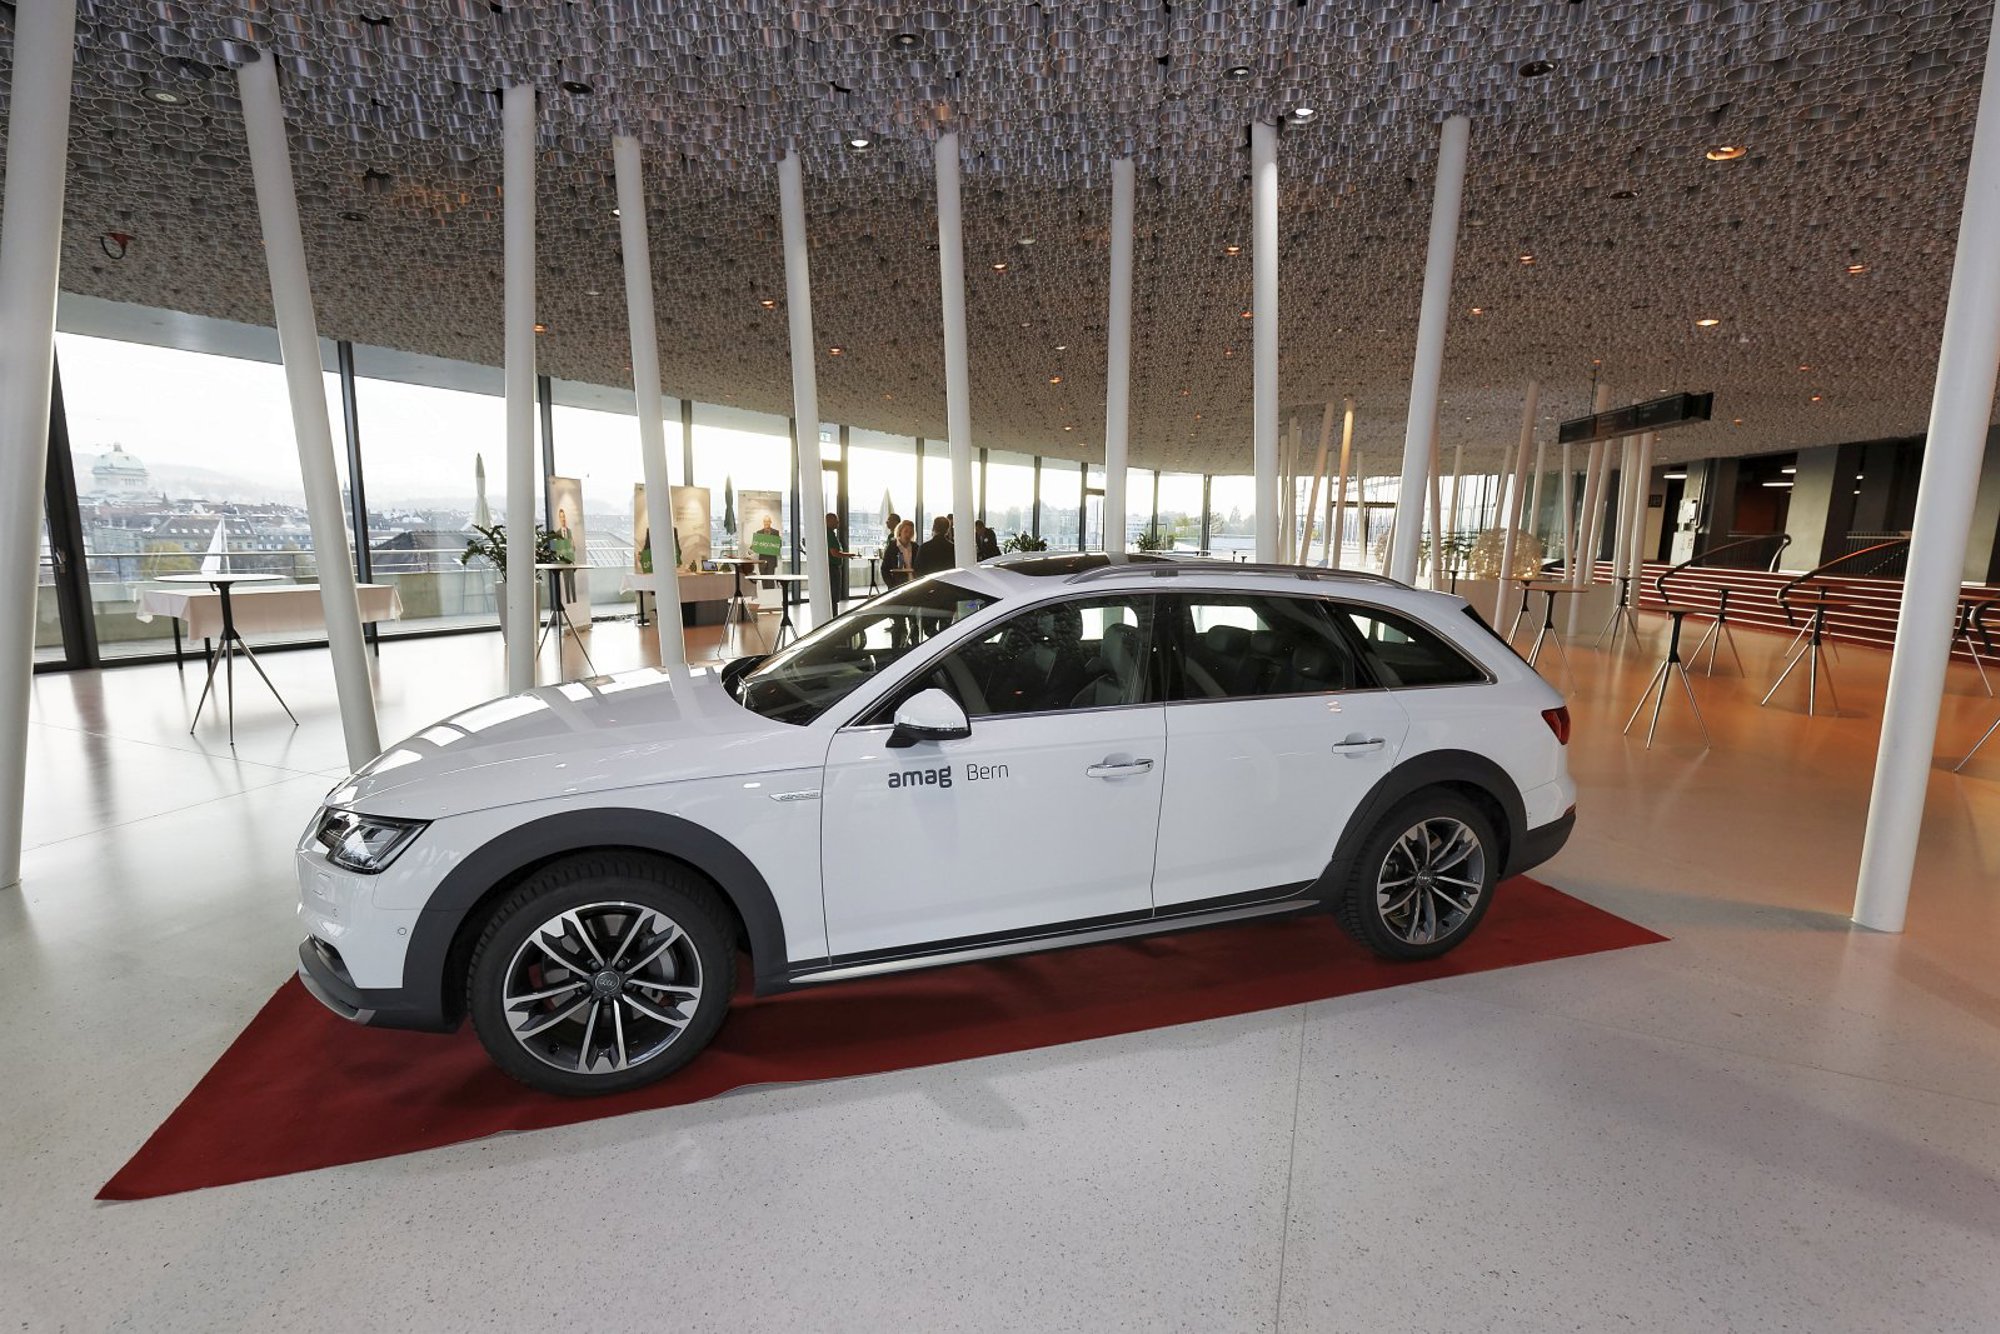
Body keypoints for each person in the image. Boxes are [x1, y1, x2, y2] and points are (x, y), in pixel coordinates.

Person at [825, 512, 855, 604]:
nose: (837, 523)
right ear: (828, 521)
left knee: (833, 592)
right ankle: (834, 611)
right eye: (835, 521)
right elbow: (834, 553)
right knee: (834, 593)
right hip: (832, 567)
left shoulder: (829, 534)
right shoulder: (829, 534)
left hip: (832, 566)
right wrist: (848, 555)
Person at [883, 519, 918, 588]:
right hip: (898, 586)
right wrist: (891, 585)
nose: (908, 534)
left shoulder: (915, 547)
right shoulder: (892, 547)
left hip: (915, 584)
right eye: (906, 531)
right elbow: (884, 569)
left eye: (911, 532)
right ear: (900, 532)